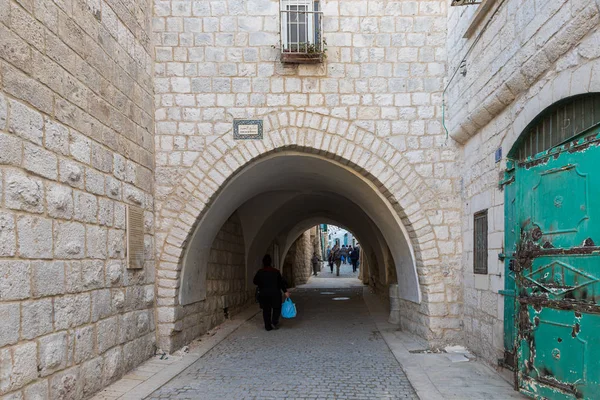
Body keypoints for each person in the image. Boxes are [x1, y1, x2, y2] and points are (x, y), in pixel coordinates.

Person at [253, 254, 290, 331]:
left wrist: (261, 283)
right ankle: (274, 321)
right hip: (275, 293)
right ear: (271, 262)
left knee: (266, 310)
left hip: (264, 294)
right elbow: (281, 283)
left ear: (263, 263)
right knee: (276, 308)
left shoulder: (260, 272)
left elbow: (255, 281)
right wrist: (285, 291)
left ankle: (267, 326)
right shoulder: (276, 272)